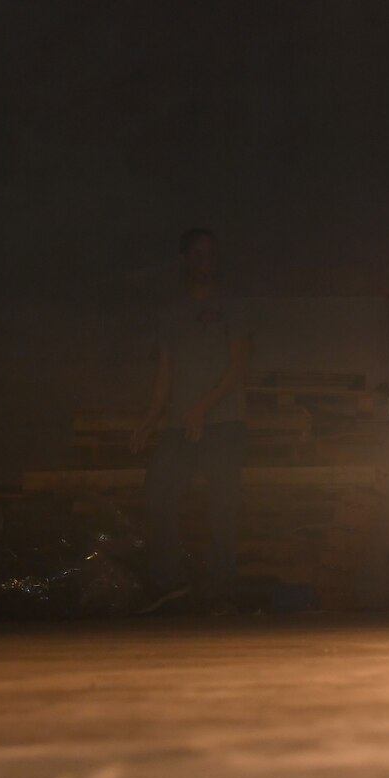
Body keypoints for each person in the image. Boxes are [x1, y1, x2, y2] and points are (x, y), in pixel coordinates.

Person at [131, 228, 252, 615]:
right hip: (179, 428)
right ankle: (171, 584)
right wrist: (151, 418)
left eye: (211, 255)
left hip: (224, 425)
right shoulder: (172, 315)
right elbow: (165, 371)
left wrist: (203, 406)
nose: (205, 261)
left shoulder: (231, 306)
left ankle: (221, 592)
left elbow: (237, 366)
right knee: (158, 491)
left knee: (223, 505)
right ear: (185, 261)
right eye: (198, 254)